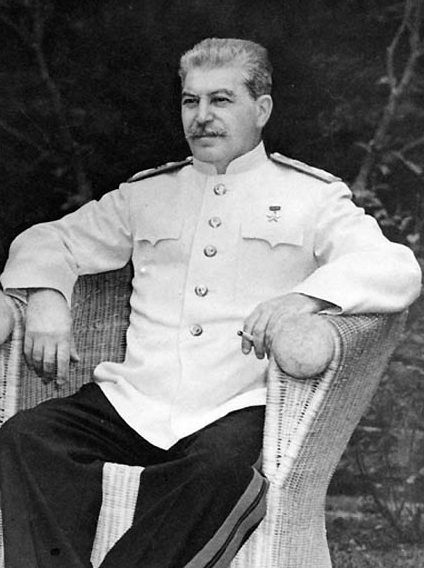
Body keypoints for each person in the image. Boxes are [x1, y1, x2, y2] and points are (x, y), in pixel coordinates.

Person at [0, 37, 421, 568]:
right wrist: (46, 299)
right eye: (190, 101)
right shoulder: (147, 194)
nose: (201, 117)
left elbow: (395, 266)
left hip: (234, 403)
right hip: (136, 400)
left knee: (222, 474)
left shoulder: (311, 197)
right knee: (28, 437)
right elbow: (47, 240)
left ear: (261, 109)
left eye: (220, 100)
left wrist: (305, 299)